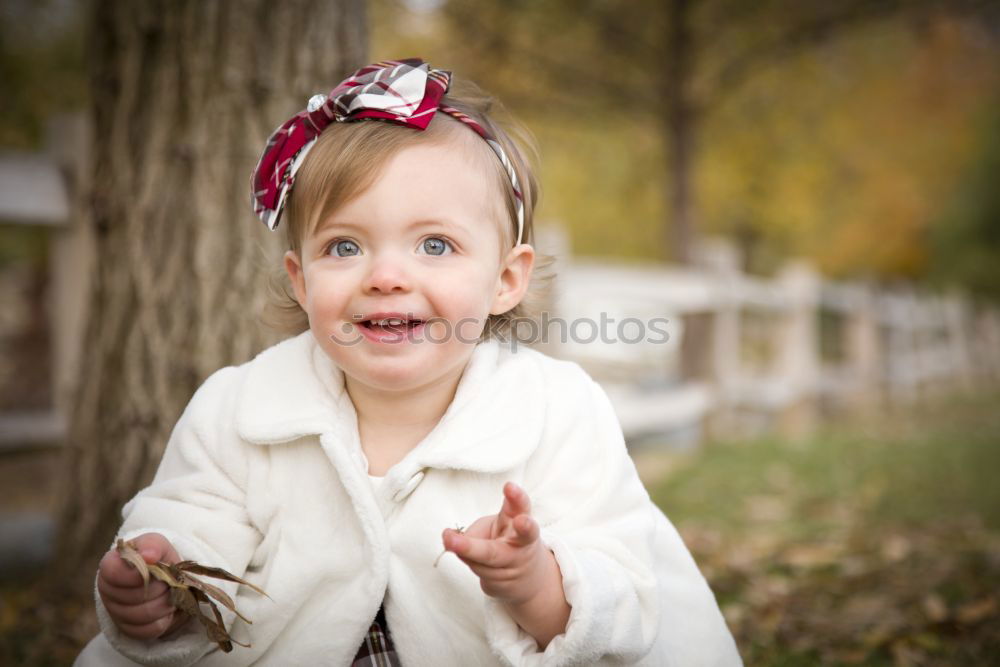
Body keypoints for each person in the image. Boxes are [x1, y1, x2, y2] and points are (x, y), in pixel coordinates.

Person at [76, 59, 741, 666]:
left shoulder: (555, 410)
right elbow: (192, 521)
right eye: (343, 247)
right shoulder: (241, 407)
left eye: (434, 244)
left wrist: (536, 579)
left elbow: (619, 587)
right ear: (300, 280)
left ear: (507, 279)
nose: (387, 274)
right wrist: (160, 585)